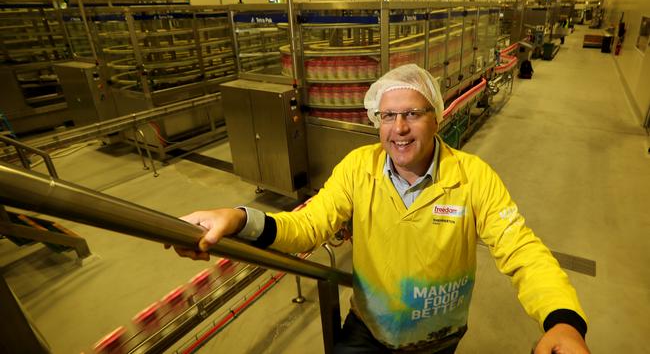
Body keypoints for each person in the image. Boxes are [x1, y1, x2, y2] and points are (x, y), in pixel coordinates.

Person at [173, 64, 589, 353]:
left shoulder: (473, 177)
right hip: (367, 332)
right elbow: (307, 226)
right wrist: (238, 218)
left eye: (412, 114)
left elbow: (522, 252)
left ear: (437, 117)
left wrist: (563, 320)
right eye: (388, 116)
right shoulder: (359, 167)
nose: (399, 128)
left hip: (438, 338)